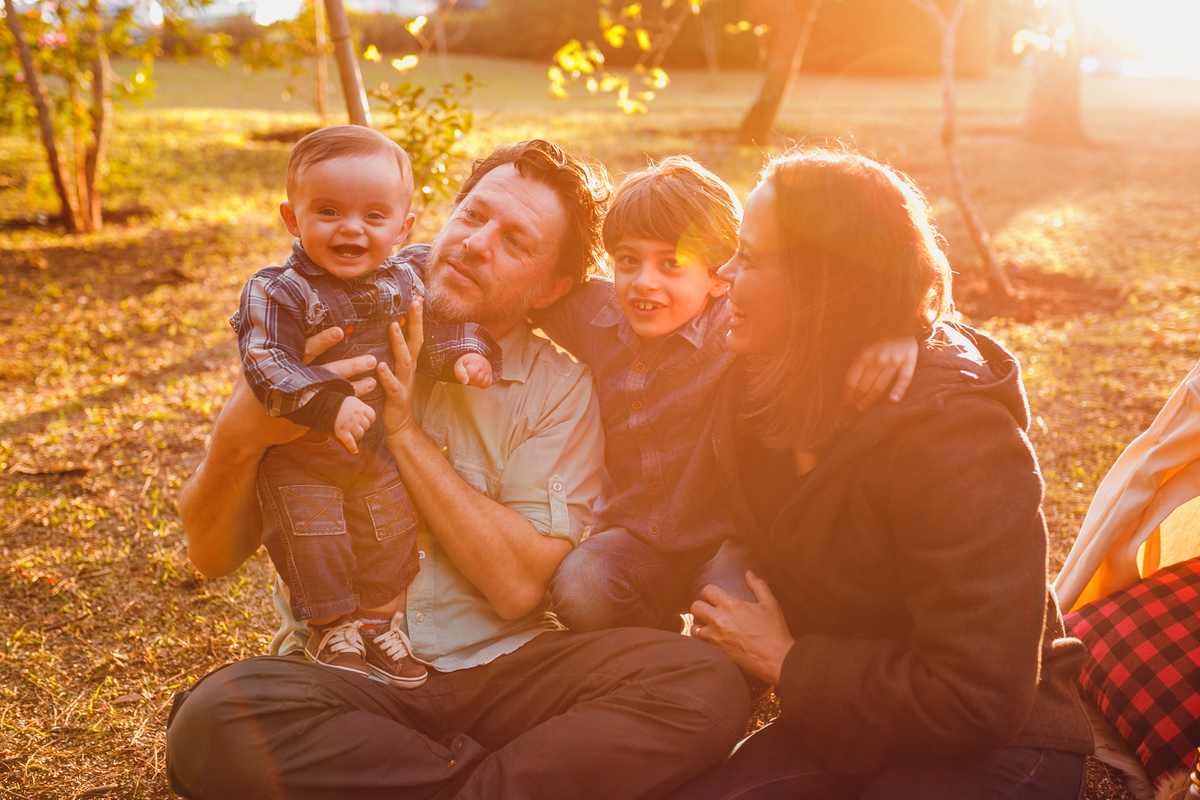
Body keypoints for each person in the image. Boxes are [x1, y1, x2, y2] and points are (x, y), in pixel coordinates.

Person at [165, 139, 751, 800]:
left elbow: (515, 587)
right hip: (347, 676)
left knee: (704, 682)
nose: (475, 244)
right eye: (472, 217)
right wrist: (238, 437)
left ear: (552, 288)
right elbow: (210, 555)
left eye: (515, 242)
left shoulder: (557, 387)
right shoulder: (311, 343)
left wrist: (403, 433)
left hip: (507, 673)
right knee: (211, 725)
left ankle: (416, 781)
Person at [675, 148, 1095, 799]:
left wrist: (788, 662)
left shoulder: (955, 434)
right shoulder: (756, 385)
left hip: (1006, 746)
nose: (725, 275)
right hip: (857, 726)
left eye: (752, 257)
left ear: (826, 282)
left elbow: (981, 696)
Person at [537, 156, 918, 633]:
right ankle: (653, 649)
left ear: (721, 277)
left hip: (724, 542)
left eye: (671, 263)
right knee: (581, 588)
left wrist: (903, 331)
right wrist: (424, 268)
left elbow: (832, 311)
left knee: (743, 614)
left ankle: (723, 668)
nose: (643, 282)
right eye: (628, 261)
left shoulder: (738, 328)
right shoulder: (596, 314)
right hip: (631, 536)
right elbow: (520, 286)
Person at [233, 125, 500, 686]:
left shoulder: (404, 278)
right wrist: (325, 405)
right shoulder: (279, 291)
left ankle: (379, 624)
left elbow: (434, 331)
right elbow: (265, 362)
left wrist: (464, 356)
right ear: (292, 219)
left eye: (374, 217)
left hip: (374, 453)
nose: (351, 228)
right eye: (328, 211)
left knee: (391, 533)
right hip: (301, 458)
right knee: (314, 540)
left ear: (403, 228)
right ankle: (330, 627)